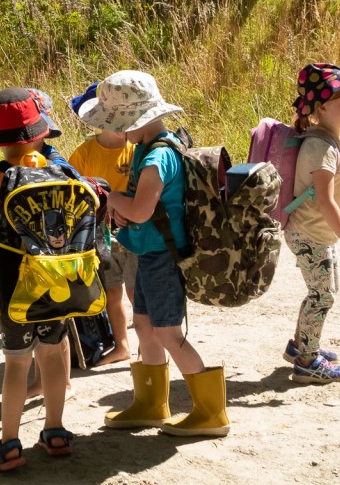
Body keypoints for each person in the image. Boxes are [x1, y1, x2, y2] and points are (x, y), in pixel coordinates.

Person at [97, 70, 229, 438]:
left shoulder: (157, 158)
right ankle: (152, 404)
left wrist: (112, 199)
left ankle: (211, 411)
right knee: (144, 326)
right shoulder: (147, 146)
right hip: (147, 252)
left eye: (121, 124)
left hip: (163, 258)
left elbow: (140, 210)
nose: (120, 133)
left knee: (168, 332)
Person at [0, 88, 81, 472]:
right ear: (41, 133)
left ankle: (10, 443)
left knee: (15, 364)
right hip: (58, 285)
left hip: (14, 291)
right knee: (52, 356)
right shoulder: (61, 171)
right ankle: (56, 431)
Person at [284, 63, 340, 384]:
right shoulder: (320, 146)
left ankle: (301, 345)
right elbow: (323, 199)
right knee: (323, 295)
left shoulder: (330, 141)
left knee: (323, 290)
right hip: (308, 234)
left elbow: (334, 195)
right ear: (321, 108)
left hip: (318, 233)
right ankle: (307, 360)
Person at [67, 82, 135, 367]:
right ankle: (122, 346)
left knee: (136, 292)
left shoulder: (135, 149)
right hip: (100, 235)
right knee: (112, 293)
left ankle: (151, 349)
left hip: (134, 232)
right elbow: (71, 194)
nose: (120, 125)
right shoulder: (83, 153)